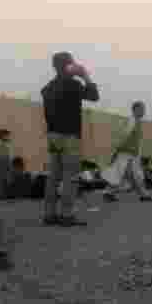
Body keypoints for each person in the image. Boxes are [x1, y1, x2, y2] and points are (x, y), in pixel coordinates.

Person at [41, 51, 100, 226]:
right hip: (70, 136)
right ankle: (67, 215)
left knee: (53, 176)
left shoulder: (47, 88)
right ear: (69, 65)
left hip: (53, 136)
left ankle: (49, 214)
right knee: (70, 177)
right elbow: (94, 96)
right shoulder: (73, 85)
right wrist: (85, 76)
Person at [102, 101, 152, 203]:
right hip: (126, 153)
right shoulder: (132, 121)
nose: (144, 111)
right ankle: (109, 193)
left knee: (133, 175)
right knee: (120, 174)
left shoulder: (137, 122)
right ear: (135, 109)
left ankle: (143, 195)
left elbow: (134, 140)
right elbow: (124, 136)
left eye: (144, 109)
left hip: (132, 154)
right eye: (142, 109)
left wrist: (137, 153)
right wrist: (117, 150)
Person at [0, 129, 14, 202]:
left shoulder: (8, 144)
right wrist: (9, 165)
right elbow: (3, 157)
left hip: (6, 164)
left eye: (8, 135)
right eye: (7, 135)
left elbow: (10, 155)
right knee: (0, 181)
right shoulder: (2, 145)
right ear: (2, 136)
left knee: (6, 181)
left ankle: (2, 196)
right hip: (3, 164)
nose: (9, 137)